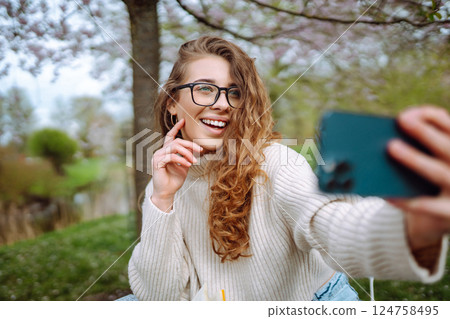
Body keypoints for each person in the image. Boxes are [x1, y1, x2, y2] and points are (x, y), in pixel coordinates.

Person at [126, 36, 449, 301]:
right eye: (205, 88)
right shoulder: (164, 185)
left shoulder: (275, 162)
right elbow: (161, 298)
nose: (223, 103)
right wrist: (163, 199)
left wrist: (411, 226)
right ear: (171, 100)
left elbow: (329, 222)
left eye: (234, 92)